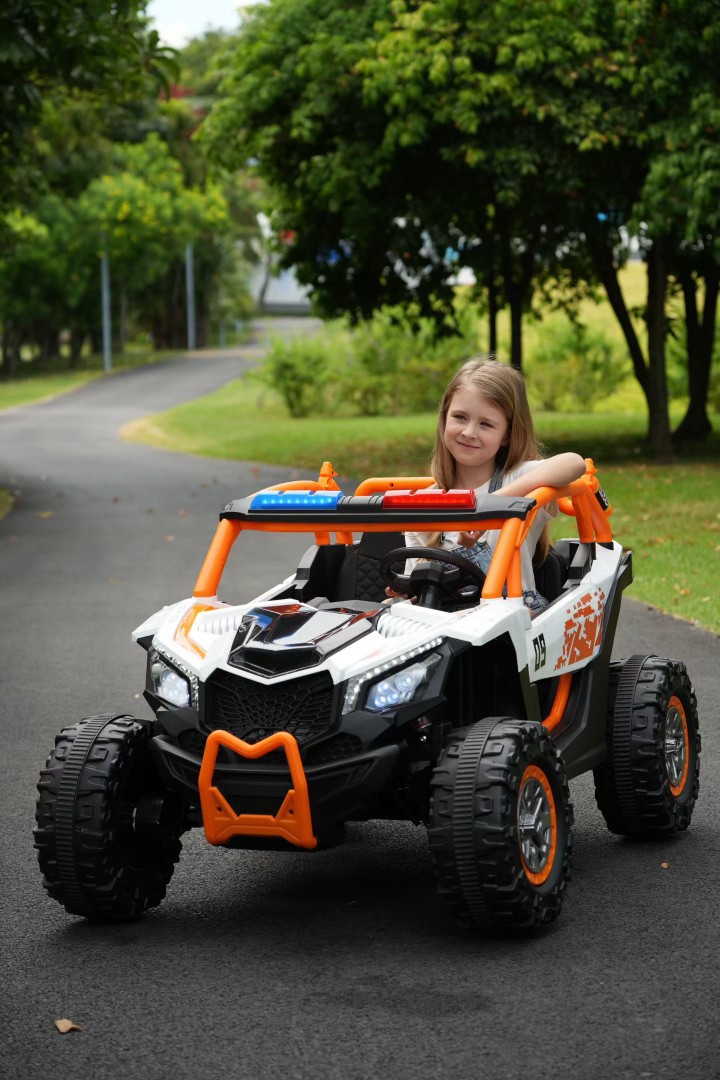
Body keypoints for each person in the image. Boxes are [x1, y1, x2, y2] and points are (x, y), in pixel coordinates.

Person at [387, 357, 586, 615]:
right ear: (444, 418)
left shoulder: (516, 480)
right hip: (445, 624)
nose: (469, 432)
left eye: (486, 424)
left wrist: (493, 504)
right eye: (460, 417)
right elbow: (419, 590)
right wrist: (406, 595)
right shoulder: (426, 503)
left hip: (511, 623)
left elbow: (574, 463)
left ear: (507, 435)